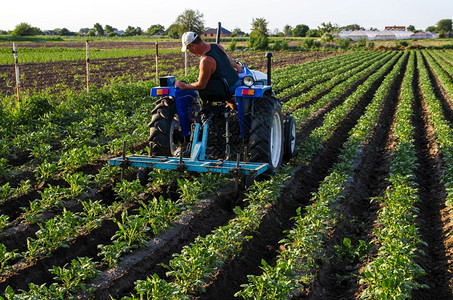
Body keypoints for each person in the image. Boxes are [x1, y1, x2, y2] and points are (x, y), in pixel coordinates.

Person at [175, 32, 242, 108]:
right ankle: (235, 110)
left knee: (205, 89)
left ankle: (208, 111)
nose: (189, 51)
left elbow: (201, 85)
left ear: (192, 46)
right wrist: (237, 66)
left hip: (227, 89)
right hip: (236, 82)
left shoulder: (206, 61)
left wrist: (183, 86)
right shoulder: (218, 46)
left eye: (188, 48)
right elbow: (226, 58)